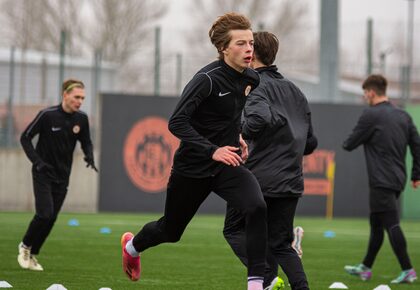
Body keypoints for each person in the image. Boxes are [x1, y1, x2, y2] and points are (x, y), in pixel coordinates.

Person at [120, 13, 268, 290]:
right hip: (192, 167)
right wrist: (211, 150)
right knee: (170, 231)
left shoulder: (251, 78)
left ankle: (257, 284)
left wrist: (237, 136)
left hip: (227, 163)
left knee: (256, 207)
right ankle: (131, 248)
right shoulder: (206, 80)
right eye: (241, 43)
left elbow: (228, 114)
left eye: (251, 42)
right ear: (224, 48)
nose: (249, 49)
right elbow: (177, 122)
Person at [223, 32, 317, 290]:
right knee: (280, 244)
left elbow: (258, 121)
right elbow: (311, 142)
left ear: (253, 54)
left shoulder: (253, 85)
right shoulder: (295, 91)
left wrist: (234, 131)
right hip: (290, 180)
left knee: (233, 230)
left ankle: (266, 278)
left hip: (258, 179)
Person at [343, 74, 419, 284]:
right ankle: (365, 268)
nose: (365, 97)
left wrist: (365, 136)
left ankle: (408, 270)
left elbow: (349, 143)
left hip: (381, 180)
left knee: (391, 223)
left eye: (365, 93)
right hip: (397, 179)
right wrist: (416, 174)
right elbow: (417, 145)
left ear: (371, 92)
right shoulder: (404, 116)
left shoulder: (371, 115)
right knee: (377, 223)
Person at [17, 79, 97, 271]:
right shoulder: (47, 115)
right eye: (77, 97)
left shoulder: (82, 119)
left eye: (83, 98)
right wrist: (38, 162)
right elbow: (25, 137)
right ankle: (25, 246)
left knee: (52, 218)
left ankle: (33, 254)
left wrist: (89, 156)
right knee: (44, 214)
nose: (80, 101)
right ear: (65, 95)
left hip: (63, 176)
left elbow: (86, 141)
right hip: (42, 173)